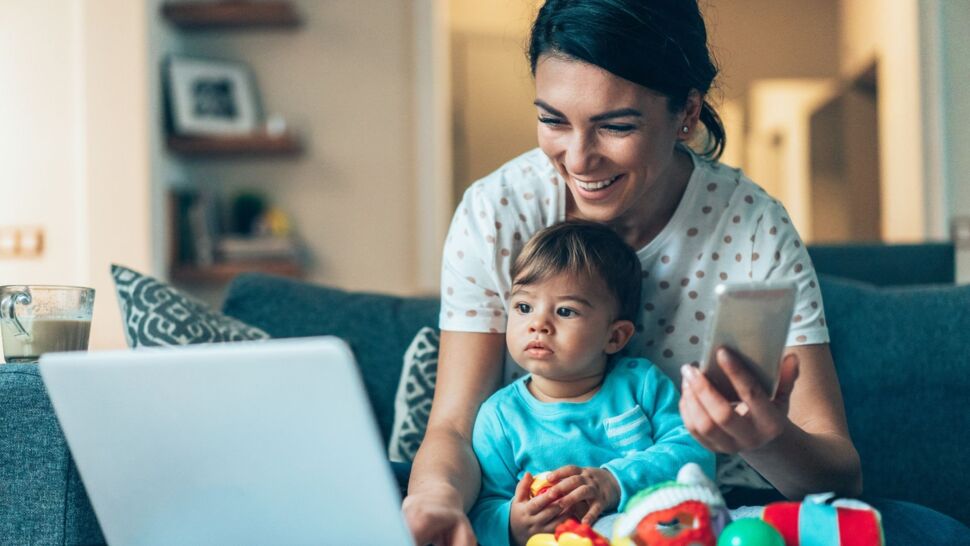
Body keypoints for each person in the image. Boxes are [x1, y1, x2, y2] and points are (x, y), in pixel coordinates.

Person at [402, 1, 970, 544]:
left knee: (928, 530)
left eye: (615, 126)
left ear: (687, 114)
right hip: (541, 515)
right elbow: (452, 428)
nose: (578, 159)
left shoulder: (751, 226)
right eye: (553, 121)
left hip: (705, 505)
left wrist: (766, 438)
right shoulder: (497, 210)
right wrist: (434, 500)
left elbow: (840, 479)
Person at [468, 221, 713, 546]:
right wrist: (512, 523)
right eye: (524, 307)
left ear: (615, 337)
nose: (538, 324)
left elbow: (695, 455)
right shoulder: (499, 418)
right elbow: (481, 510)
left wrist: (613, 482)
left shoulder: (641, 385)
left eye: (566, 311)